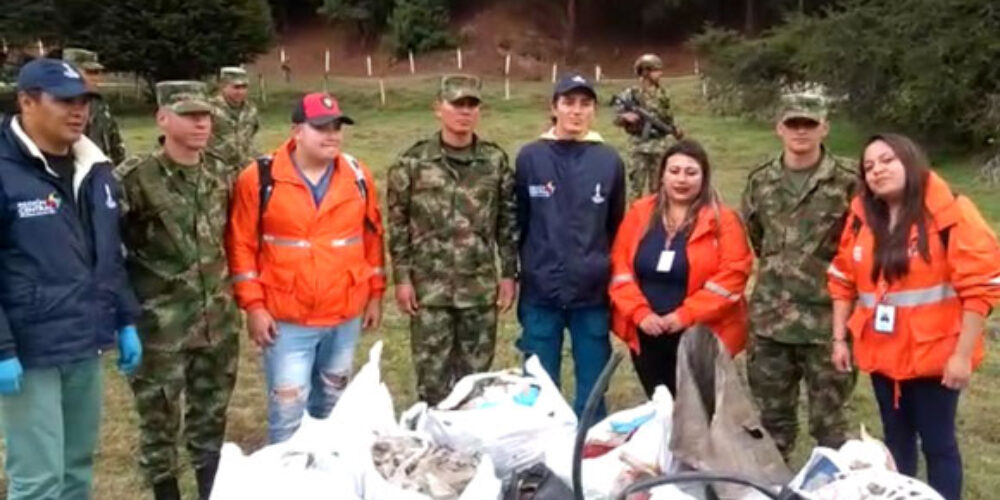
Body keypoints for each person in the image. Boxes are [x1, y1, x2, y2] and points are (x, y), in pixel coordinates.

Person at [828, 134, 1000, 500]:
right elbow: (841, 277)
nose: (877, 170)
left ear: (909, 160)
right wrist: (839, 338)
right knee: (895, 442)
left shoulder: (950, 212)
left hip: (934, 359)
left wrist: (962, 355)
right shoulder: (861, 218)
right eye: (869, 166)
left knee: (938, 445)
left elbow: (982, 286)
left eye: (887, 160)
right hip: (882, 358)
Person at [0, 58, 141, 500]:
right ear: (26, 101)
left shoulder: (94, 169)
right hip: (29, 351)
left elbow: (107, 256)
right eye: (64, 101)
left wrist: (125, 319)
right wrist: (2, 349)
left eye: (83, 101)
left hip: (85, 340)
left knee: (76, 469)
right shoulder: (5, 171)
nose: (78, 111)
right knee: (39, 480)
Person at [227, 92, 385, 443]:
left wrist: (375, 295)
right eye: (320, 128)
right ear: (297, 131)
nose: (331, 135)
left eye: (337, 127)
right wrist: (253, 306)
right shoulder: (259, 178)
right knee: (287, 414)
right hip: (287, 320)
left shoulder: (358, 175)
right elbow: (241, 245)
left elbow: (372, 239)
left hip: (344, 316)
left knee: (332, 406)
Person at [116, 81, 240, 500]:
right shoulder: (134, 178)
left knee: (211, 415)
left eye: (204, 114)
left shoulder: (223, 170)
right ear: (162, 118)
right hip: (161, 326)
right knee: (159, 420)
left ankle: (210, 489)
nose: (201, 123)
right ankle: (166, 491)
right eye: (188, 115)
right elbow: (107, 250)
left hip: (217, 321)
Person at [386, 74, 518, 405]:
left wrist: (508, 275)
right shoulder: (412, 162)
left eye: (472, 105)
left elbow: (507, 221)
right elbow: (398, 224)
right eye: (457, 104)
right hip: (430, 291)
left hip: (478, 288)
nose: (465, 112)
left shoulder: (494, 161)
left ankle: (468, 450)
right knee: (432, 381)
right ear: (438, 108)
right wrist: (402, 279)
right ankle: (433, 444)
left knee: (474, 382)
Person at [741, 91, 856, 461]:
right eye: (793, 123)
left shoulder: (849, 181)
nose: (801, 131)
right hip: (771, 321)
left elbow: (860, 244)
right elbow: (758, 237)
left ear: (825, 127)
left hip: (827, 321)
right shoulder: (761, 180)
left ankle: (832, 488)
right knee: (771, 425)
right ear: (780, 128)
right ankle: (773, 489)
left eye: (810, 124)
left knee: (831, 427)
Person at [515, 73, 626, 419]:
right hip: (541, 290)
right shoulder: (530, 157)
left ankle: (588, 451)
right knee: (538, 384)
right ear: (554, 108)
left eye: (585, 104)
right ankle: (539, 453)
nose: (576, 111)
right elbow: (519, 220)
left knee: (593, 385)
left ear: (593, 111)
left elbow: (616, 224)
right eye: (568, 103)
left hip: (591, 292)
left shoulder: (608, 160)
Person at [609, 139, 752, 397]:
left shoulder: (724, 220)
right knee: (661, 408)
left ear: (704, 177)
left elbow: (733, 277)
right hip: (648, 333)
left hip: (702, 335)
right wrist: (640, 313)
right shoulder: (640, 214)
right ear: (662, 175)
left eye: (691, 172)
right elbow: (620, 269)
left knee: (699, 415)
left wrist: (684, 316)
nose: (681, 180)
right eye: (674, 171)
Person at [613, 54, 683, 202]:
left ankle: (655, 221)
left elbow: (668, 118)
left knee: (658, 190)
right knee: (635, 189)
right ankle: (634, 221)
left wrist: (675, 130)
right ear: (645, 72)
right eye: (656, 70)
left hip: (659, 145)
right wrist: (625, 117)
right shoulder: (631, 94)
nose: (660, 74)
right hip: (638, 146)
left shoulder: (663, 94)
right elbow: (616, 118)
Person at [62, 47, 127, 165]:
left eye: (98, 73)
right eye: (91, 72)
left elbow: (116, 148)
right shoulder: (52, 106)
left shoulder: (99, 105)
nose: (97, 78)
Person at [209, 66, 259, 185]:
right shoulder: (210, 109)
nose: (240, 92)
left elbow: (252, 135)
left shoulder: (250, 110)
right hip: (217, 175)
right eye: (236, 87)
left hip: (245, 173)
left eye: (244, 87)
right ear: (223, 86)